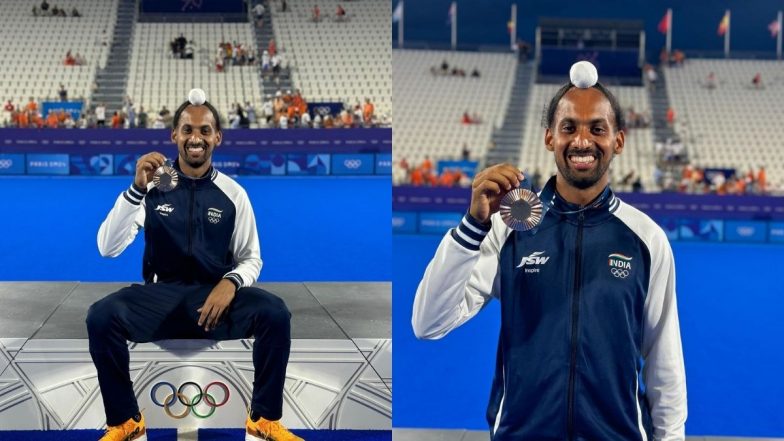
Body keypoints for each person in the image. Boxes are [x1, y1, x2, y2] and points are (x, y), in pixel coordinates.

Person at [412, 65, 686, 440]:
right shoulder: (509, 227)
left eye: (597, 128)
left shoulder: (646, 239)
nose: (582, 141)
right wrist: (473, 227)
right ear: (549, 138)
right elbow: (428, 323)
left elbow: (663, 357)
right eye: (569, 127)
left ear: (618, 141)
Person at [89, 91, 303, 441]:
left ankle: (263, 420)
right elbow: (107, 248)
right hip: (161, 300)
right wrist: (135, 190)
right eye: (187, 129)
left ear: (217, 137)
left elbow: (252, 258)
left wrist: (230, 283)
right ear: (174, 135)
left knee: (275, 314)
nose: (196, 138)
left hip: (215, 305)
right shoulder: (155, 187)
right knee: (101, 316)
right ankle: (126, 421)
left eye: (205, 131)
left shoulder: (234, 194)